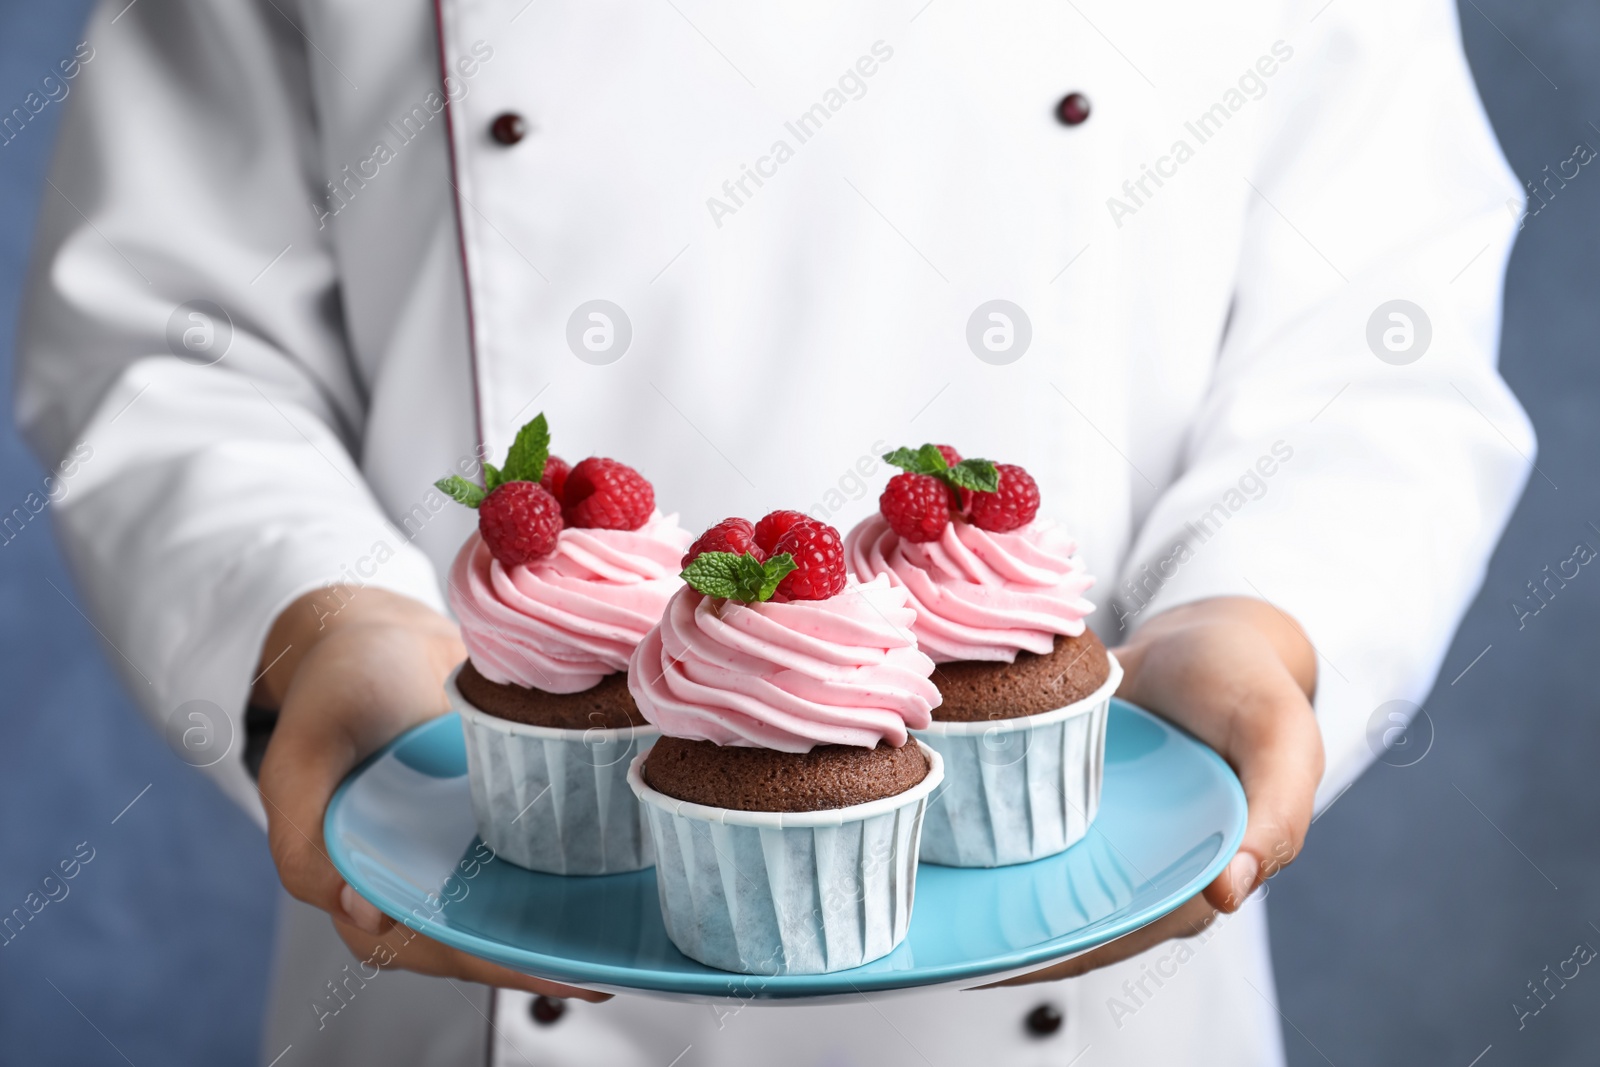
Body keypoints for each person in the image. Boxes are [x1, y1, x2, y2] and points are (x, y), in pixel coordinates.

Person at [16, 0, 1532, 1063]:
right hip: (464, 897)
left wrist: (1254, 616)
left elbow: (1378, 332)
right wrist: (315, 614)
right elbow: (173, 338)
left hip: (1104, 1005)